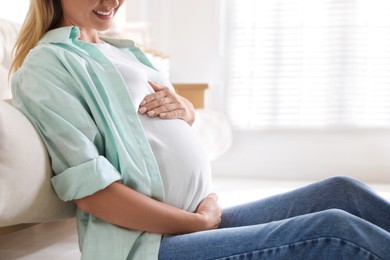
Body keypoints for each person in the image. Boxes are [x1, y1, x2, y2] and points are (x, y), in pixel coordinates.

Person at [10, 0, 390, 259]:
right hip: (147, 245)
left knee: (342, 192)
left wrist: (187, 114)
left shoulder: (125, 51)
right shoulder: (48, 65)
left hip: (197, 217)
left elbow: (155, 133)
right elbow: (94, 195)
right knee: (337, 230)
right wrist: (198, 221)